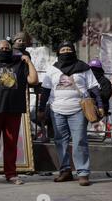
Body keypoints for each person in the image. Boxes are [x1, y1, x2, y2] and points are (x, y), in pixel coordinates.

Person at [38, 42, 104, 186]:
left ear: (74, 51)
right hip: (57, 110)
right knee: (60, 141)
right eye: (63, 49)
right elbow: (45, 91)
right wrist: (41, 109)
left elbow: (94, 88)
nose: (66, 51)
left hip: (78, 110)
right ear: (58, 52)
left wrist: (100, 105)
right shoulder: (52, 69)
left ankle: (83, 173)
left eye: (69, 49)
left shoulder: (84, 68)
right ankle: (65, 171)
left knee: (80, 140)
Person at [0, 39, 38, 185]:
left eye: (7, 47)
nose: (5, 49)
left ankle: (11, 174)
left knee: (11, 143)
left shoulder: (20, 65)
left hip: (13, 109)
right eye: (2, 48)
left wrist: (29, 62)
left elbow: (34, 80)